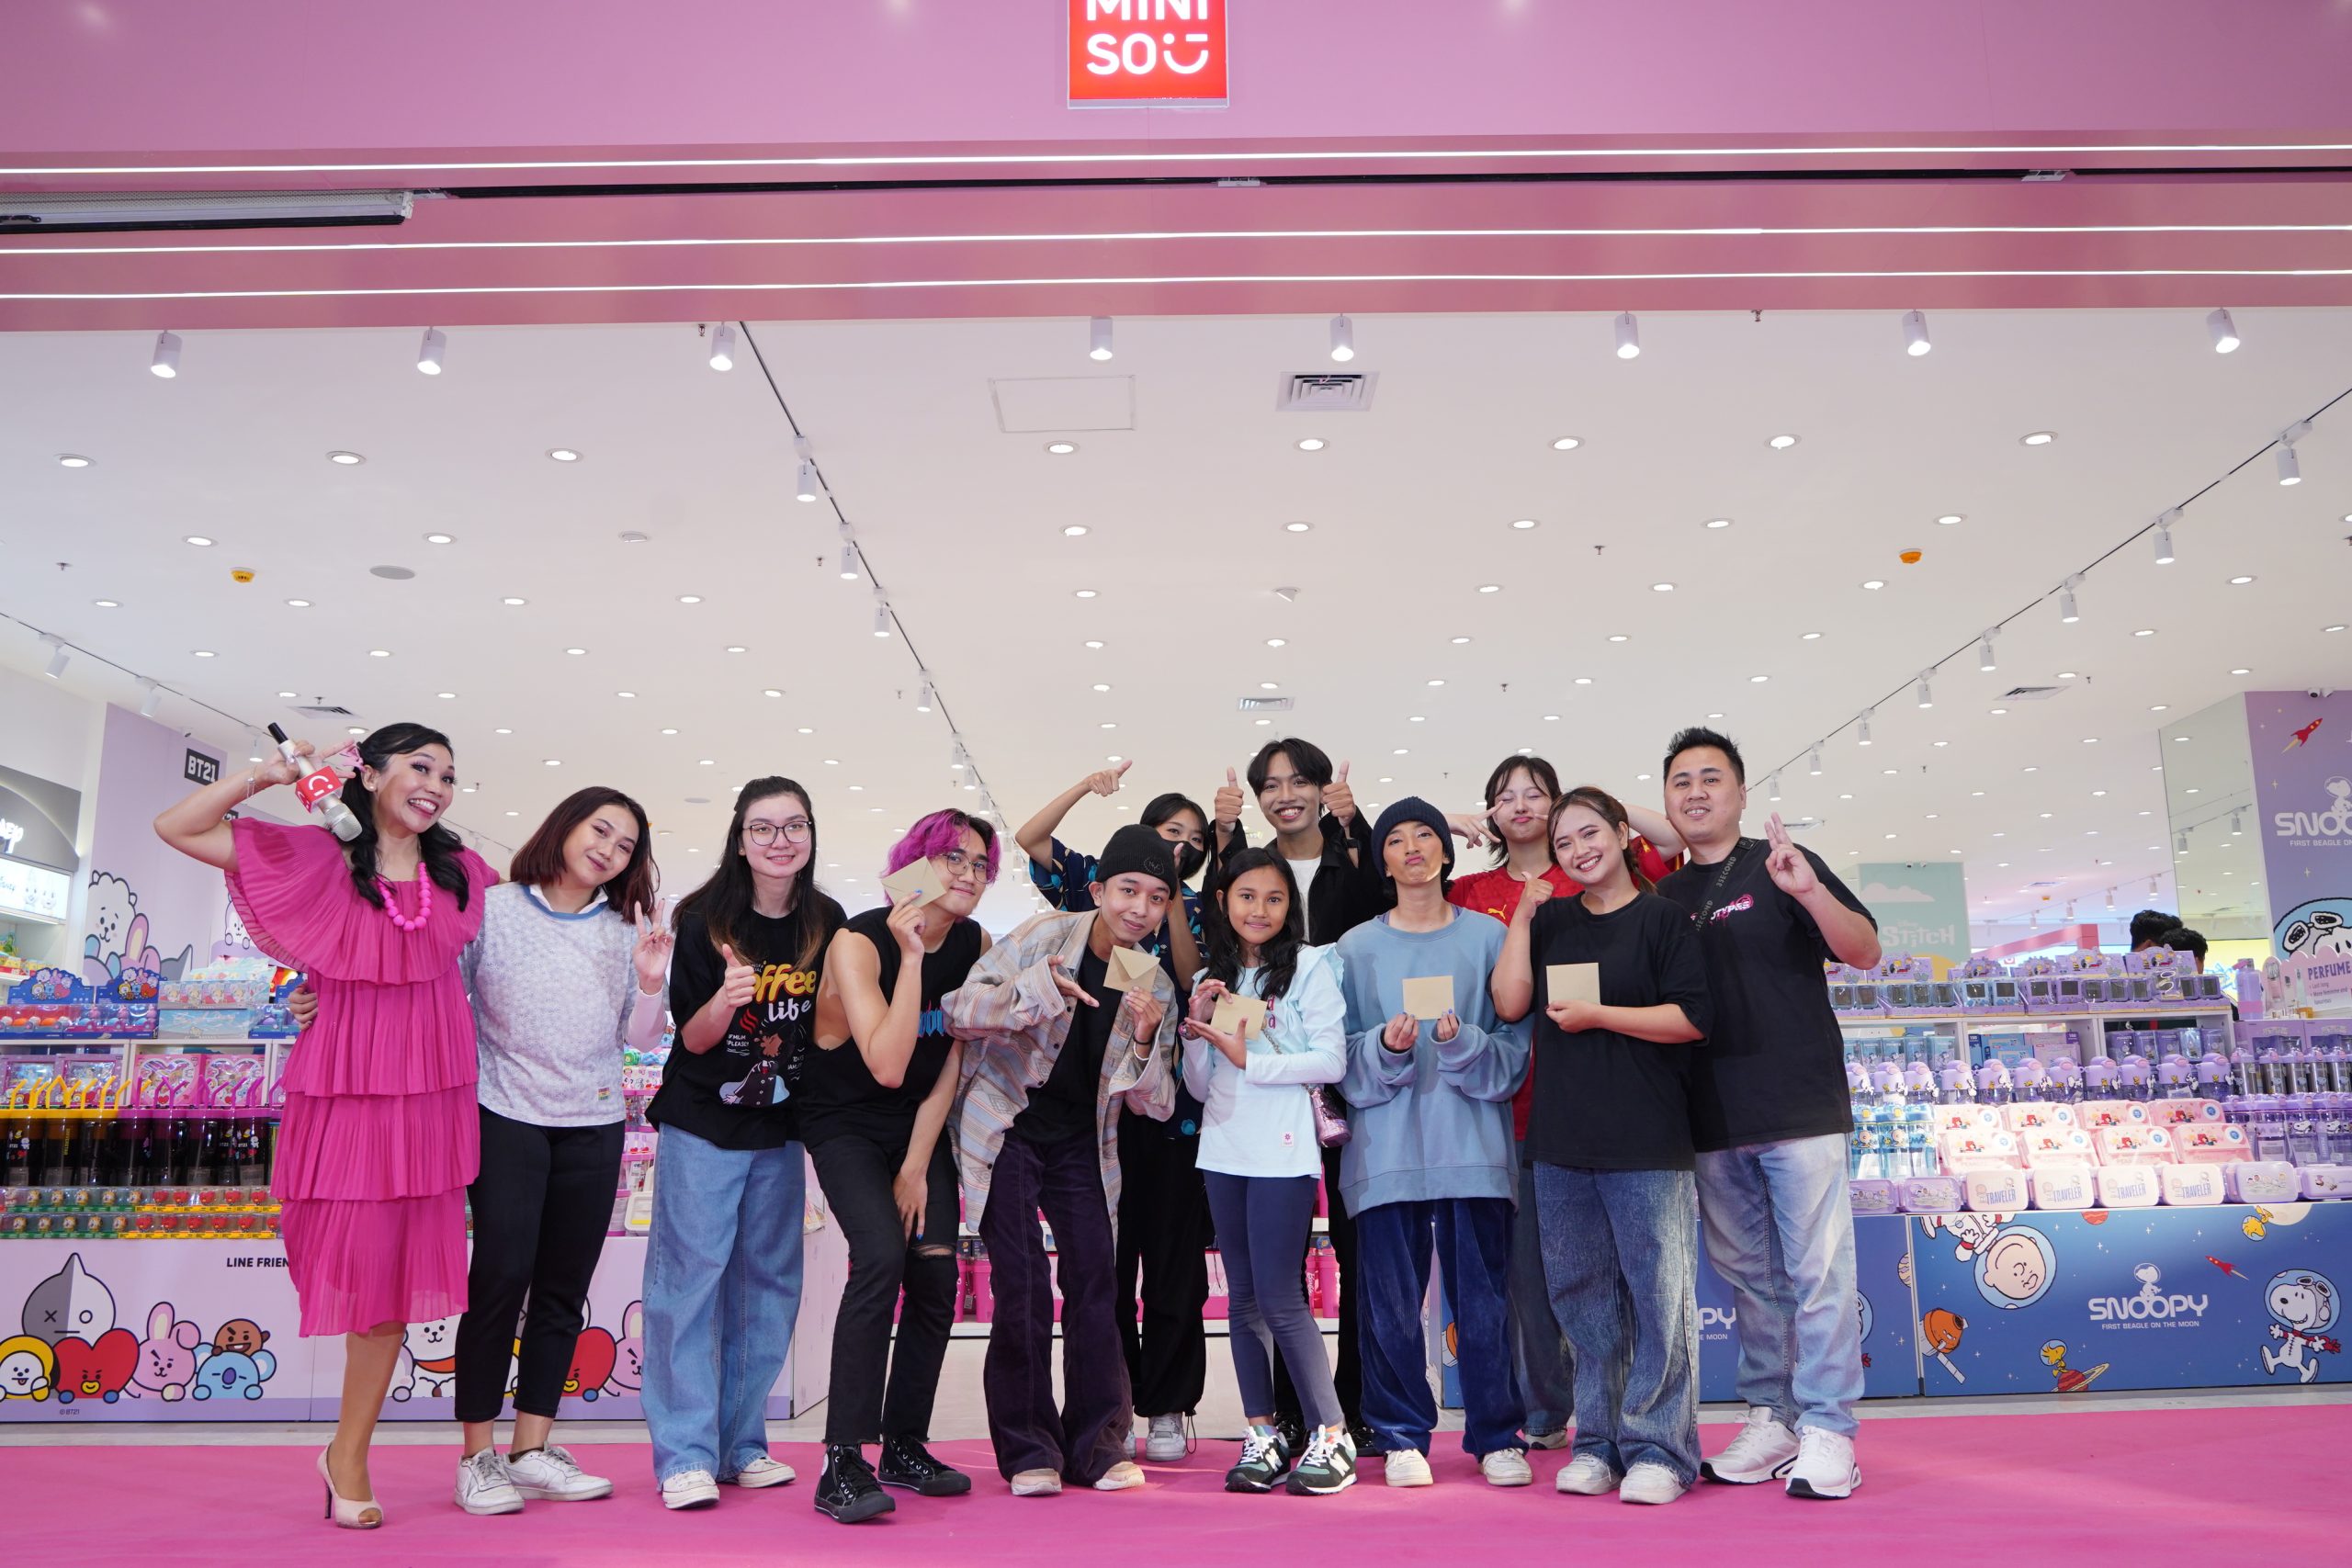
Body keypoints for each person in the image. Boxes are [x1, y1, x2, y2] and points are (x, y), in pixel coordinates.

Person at [153, 723, 498, 1529]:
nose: (438, 785)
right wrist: (264, 776)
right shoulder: (316, 857)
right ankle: (344, 1448)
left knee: (395, 1287)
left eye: (448, 775)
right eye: (422, 767)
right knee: (356, 1268)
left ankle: (348, 1452)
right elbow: (177, 826)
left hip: (430, 1089)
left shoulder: (464, 873)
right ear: (368, 772)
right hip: (347, 1085)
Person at [1656, 728, 1881, 1502]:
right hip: (1711, 1117)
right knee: (1750, 1279)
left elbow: (1865, 951)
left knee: (1818, 1274)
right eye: (1680, 781)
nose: (1695, 792)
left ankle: (1829, 1429)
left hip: (1800, 1106)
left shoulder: (1781, 865)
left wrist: (1808, 890)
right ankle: (1773, 1415)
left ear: (1742, 792)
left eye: (1710, 778)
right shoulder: (1665, 897)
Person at [1443, 753, 1681, 1451]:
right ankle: (1549, 1414)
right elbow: (1495, 997)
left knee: (1623, 1274)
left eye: (1536, 794)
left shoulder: (1592, 872)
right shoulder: (1469, 890)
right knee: (1533, 1275)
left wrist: (1598, 801)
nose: (1521, 806)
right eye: (1504, 796)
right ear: (1489, 810)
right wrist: (1436, 824)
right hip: (1505, 1111)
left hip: (1613, 1106)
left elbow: (1668, 844)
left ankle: (1639, 1423)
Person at [446, 788, 669, 1516]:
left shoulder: (620, 930)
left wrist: (647, 979)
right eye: (599, 829)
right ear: (565, 827)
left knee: (563, 1290)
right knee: (501, 1276)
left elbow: (638, 1039)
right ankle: (477, 1454)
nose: (608, 848)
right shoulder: (496, 906)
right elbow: (439, 991)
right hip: (505, 1112)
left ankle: (533, 1446)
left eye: (625, 844)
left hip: (594, 1122)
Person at [943, 824, 1181, 1497]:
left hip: (1084, 1139)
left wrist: (1142, 1036)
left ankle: (1098, 1445)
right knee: (1021, 1286)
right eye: (1128, 889)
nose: (1139, 908)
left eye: (1157, 897)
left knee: (1097, 1283)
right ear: (1099, 888)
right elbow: (959, 1009)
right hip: (1010, 1125)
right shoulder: (1045, 937)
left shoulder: (1151, 979)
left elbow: (1156, 1104)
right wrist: (1034, 992)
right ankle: (1027, 1449)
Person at [1491, 786, 1711, 1506]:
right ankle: (1597, 1442)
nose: (1579, 850)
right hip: (1560, 1140)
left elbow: (1690, 1018)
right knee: (1583, 1301)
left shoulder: (1664, 919)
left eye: (1591, 833)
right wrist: (1522, 918)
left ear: (1622, 833)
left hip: (1647, 1137)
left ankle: (1661, 1448)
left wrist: (1599, 1015)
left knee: (1658, 1296)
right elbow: (1510, 1003)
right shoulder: (1551, 919)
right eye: (1564, 843)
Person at [641, 777, 846, 1511]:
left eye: (795, 826)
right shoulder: (701, 919)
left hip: (781, 1129)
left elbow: (826, 1029)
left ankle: (742, 1440)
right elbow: (690, 1041)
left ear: (812, 835)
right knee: (688, 1284)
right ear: (739, 838)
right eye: (763, 828)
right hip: (703, 1121)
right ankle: (685, 1453)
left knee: (769, 1284)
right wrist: (725, 1000)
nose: (780, 840)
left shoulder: (827, 921)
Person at [1017, 762, 1226, 1461]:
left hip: (1167, 1119)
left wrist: (1171, 901)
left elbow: (1191, 980)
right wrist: (1082, 784)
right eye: (1172, 832)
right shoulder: (1081, 900)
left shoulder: (1182, 909)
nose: (1181, 846)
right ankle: (1111, 1410)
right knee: (1102, 1268)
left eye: (1193, 841)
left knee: (1173, 1268)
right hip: (1087, 1125)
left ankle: (1167, 1405)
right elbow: (1030, 837)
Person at [801, 809, 995, 1522]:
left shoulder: (977, 942)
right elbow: (886, 1063)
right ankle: (841, 1459)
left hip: (918, 1125)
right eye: (952, 858)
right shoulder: (858, 941)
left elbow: (953, 1056)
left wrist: (917, 1163)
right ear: (914, 863)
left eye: (979, 862)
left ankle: (905, 1446)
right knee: (881, 1255)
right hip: (844, 1120)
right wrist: (911, 956)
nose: (968, 874)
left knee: (937, 1272)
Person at [1337, 799, 1530, 1489]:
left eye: (1425, 834)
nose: (1413, 846)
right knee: (1389, 1304)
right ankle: (1398, 1433)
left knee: (1483, 1301)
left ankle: (1497, 1432)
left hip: (1474, 1149)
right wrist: (1383, 1049)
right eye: (1396, 837)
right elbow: (1339, 1057)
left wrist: (1461, 1042)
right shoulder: (1353, 949)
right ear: (1381, 858)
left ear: (1447, 852)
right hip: (1385, 1154)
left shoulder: (1489, 937)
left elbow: (1515, 1050)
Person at [1207, 738, 1383, 1451]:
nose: (1287, 793)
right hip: (1246, 1128)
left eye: (1299, 780)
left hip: (1349, 1089)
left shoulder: (1351, 861)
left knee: (1346, 1256)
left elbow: (1385, 903)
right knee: (1254, 1290)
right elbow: (1207, 1071)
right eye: (1270, 783)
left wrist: (1360, 824)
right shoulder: (1235, 906)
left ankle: (1345, 1417)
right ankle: (1276, 1423)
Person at [1182, 849, 1357, 1497]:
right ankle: (1263, 1432)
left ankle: (1330, 1433)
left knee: (1282, 1297)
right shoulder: (1210, 974)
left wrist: (1248, 1058)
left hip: (1282, 1151)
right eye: (1247, 896)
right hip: (1222, 1150)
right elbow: (1200, 1086)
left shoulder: (1310, 966)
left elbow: (1331, 1061)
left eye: (1274, 898)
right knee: (1244, 1300)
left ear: (1291, 906)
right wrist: (1198, 1037)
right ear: (1225, 901)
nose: (1259, 909)